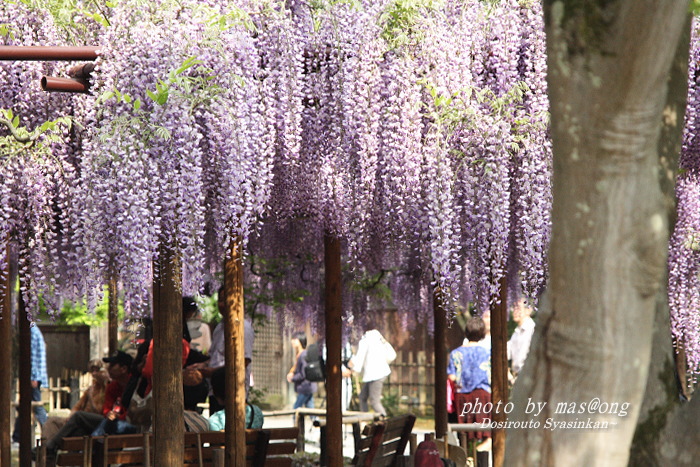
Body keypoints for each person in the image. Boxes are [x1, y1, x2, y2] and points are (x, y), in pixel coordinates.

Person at [37, 351, 134, 460]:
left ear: (123, 369)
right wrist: (109, 413)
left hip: (120, 425)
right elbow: (103, 408)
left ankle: (48, 448)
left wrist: (104, 383)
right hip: (102, 422)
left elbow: (131, 412)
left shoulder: (131, 384)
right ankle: (49, 453)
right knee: (59, 424)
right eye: (92, 370)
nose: (108, 368)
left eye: (111, 366)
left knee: (79, 417)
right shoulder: (107, 387)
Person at [201, 287, 254, 413]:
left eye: (226, 300)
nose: (222, 304)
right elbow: (214, 357)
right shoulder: (219, 328)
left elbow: (243, 362)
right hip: (215, 390)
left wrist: (213, 371)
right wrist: (202, 366)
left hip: (232, 391)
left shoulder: (243, 328)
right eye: (220, 300)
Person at [42, 360, 110, 441]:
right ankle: (45, 449)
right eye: (92, 371)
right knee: (52, 421)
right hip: (78, 419)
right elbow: (78, 406)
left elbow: (101, 410)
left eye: (97, 370)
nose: (94, 373)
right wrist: (71, 415)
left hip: (92, 422)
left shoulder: (108, 388)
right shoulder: (91, 388)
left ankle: (51, 446)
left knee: (78, 421)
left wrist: (93, 397)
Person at [447, 316, 491, 441]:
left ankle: (467, 458)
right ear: (482, 334)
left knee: (464, 434)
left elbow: (452, 376)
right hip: (483, 395)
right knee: (484, 433)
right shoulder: (487, 353)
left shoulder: (456, 353)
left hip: (462, 396)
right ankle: (481, 457)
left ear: (466, 332)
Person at [13, 324, 49, 443]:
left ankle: (49, 432)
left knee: (37, 407)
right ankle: (17, 436)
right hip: (34, 376)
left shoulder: (32, 332)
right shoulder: (35, 331)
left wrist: (33, 376)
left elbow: (31, 357)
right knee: (24, 405)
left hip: (33, 377)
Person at [346, 329, 394, 416]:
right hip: (377, 373)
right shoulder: (376, 334)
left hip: (376, 374)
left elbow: (360, 356)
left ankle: (384, 421)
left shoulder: (365, 339)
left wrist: (353, 369)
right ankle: (364, 418)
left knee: (374, 401)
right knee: (363, 397)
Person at [286, 332, 317, 409]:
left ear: (300, 340)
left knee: (296, 408)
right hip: (307, 387)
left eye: (295, 339)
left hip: (305, 387)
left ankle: (296, 421)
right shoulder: (300, 354)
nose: (292, 341)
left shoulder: (303, 355)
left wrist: (292, 378)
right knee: (311, 409)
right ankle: (316, 421)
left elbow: (303, 373)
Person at [507, 297, 536, 379]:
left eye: (518, 308)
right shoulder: (516, 333)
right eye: (514, 307)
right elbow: (506, 352)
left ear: (528, 310)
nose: (514, 311)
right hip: (517, 377)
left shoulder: (532, 330)